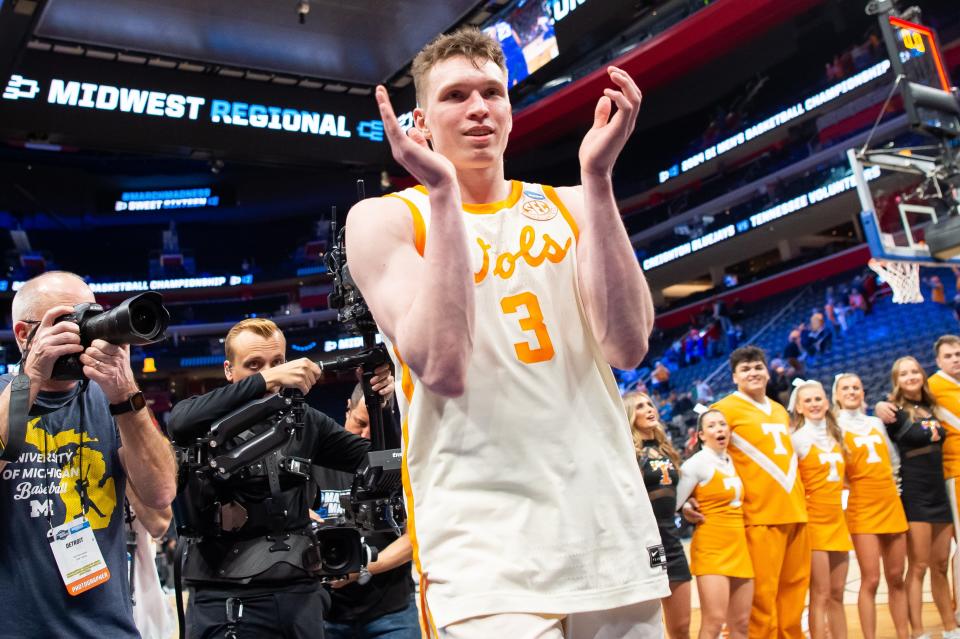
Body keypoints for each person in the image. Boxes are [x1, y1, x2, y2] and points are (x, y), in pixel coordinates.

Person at [346, 27, 668, 638]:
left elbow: (627, 345)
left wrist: (597, 182)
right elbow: (441, 366)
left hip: (606, 522)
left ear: (510, 112)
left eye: (492, 92)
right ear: (420, 120)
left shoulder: (576, 203)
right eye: (455, 95)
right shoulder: (387, 218)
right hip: (482, 541)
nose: (477, 108)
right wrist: (443, 195)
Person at [166, 318, 393, 639]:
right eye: (254, 365)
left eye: (277, 363)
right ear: (229, 370)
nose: (271, 372)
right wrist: (266, 379)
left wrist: (383, 407)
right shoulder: (205, 418)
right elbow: (178, 422)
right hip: (224, 599)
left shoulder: (307, 420)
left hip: (298, 597)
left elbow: (379, 462)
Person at [0, 271, 177, 637]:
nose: (83, 335)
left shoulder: (116, 402)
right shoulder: (4, 395)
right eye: (67, 323)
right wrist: (32, 374)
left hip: (107, 629)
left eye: (91, 318)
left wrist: (124, 392)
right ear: (23, 334)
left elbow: (161, 498)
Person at [704, 346, 809, 639]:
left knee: (794, 594)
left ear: (767, 371)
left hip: (795, 511)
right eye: (745, 369)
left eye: (758, 367)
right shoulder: (723, 409)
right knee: (760, 600)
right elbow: (709, 460)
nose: (753, 373)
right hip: (758, 516)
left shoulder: (778, 409)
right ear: (734, 376)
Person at [318, 384, 419, 639]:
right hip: (327, 615)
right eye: (359, 423)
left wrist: (364, 567)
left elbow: (416, 535)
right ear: (347, 410)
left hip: (391, 614)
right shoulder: (315, 460)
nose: (363, 436)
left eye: (373, 428)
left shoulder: (396, 464)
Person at [876, 357, 957, 639]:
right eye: (903, 373)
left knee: (941, 564)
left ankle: (949, 627)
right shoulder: (892, 413)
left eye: (914, 371)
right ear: (896, 380)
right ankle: (919, 632)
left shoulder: (931, 407)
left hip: (939, 494)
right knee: (919, 565)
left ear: (922, 375)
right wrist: (877, 404)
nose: (910, 377)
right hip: (914, 495)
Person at [834, 373, 908, 639]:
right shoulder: (835, 428)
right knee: (872, 579)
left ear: (863, 392)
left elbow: (894, 461)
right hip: (861, 506)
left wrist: (895, 489)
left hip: (889, 501)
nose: (852, 391)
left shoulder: (876, 423)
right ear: (837, 395)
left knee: (897, 576)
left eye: (856, 387)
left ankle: (904, 634)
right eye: (846, 388)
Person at [675, 407, 753, 639]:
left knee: (741, 623)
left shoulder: (734, 461)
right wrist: (687, 505)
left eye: (722, 424)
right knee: (714, 621)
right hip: (712, 548)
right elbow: (673, 504)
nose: (719, 429)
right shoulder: (696, 464)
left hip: (740, 546)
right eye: (711, 425)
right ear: (701, 435)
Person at [788, 379, 851, 639]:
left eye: (818, 399)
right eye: (808, 401)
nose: (814, 404)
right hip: (813, 523)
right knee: (821, 593)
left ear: (827, 402)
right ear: (799, 408)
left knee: (838, 593)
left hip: (837, 520)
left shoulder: (837, 435)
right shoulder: (796, 440)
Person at [625, 393, 691, 639]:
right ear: (631, 415)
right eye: (640, 406)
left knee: (682, 627)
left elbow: (674, 496)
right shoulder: (629, 452)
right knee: (649, 628)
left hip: (672, 541)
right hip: (648, 545)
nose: (648, 409)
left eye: (650, 404)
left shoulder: (667, 450)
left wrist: (685, 509)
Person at [926, 335, 960, 624]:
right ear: (938, 361)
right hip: (955, 473)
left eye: (958, 353)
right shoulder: (932, 386)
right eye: (949, 355)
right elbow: (902, 400)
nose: (956, 359)